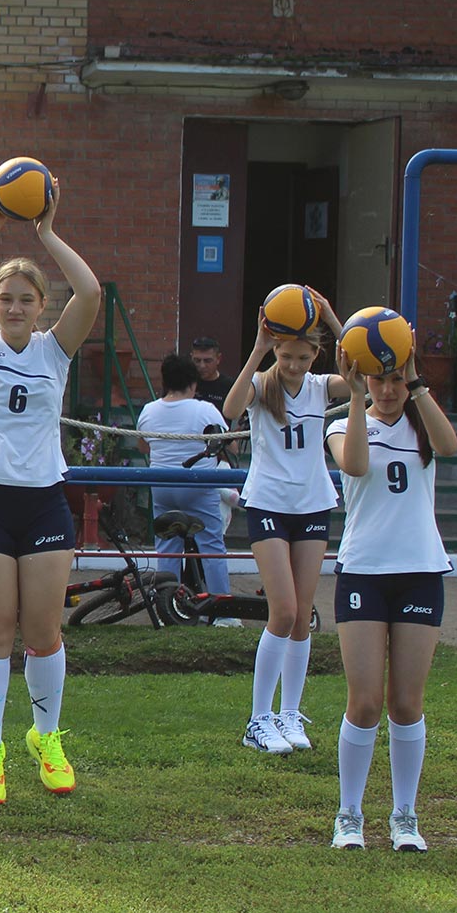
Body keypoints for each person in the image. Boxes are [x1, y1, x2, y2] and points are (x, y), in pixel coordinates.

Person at [0, 178, 101, 806]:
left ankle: (45, 736)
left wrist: (47, 233)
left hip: (43, 502)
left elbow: (89, 292)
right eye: (5, 298)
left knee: (44, 631)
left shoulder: (54, 352)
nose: (13, 307)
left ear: (40, 306)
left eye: (25, 299)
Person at [325, 347, 457, 852]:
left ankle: (405, 815)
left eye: (396, 381)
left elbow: (449, 446)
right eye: (378, 380)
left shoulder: (422, 421)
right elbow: (356, 465)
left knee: (406, 703)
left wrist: (417, 384)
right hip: (363, 572)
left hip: (420, 572)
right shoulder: (343, 425)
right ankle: (349, 814)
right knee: (364, 703)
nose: (387, 390)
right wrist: (358, 395)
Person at [221, 298, 347, 756]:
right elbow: (230, 409)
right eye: (286, 355)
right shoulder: (262, 383)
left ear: (316, 354)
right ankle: (258, 719)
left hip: (312, 504)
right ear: (276, 350)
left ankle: (289, 713)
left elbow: (362, 376)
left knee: (303, 615)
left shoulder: (320, 386)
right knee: (285, 611)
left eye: (303, 357)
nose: (294, 365)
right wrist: (258, 349)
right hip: (270, 504)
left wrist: (331, 319)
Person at [135, 353, 234, 608]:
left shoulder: (148, 411)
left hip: (163, 487)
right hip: (198, 485)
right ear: (193, 383)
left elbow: (143, 447)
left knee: (167, 547)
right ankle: (223, 611)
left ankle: (167, 607)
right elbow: (229, 445)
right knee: (211, 547)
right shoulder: (205, 410)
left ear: (165, 381)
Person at [189, 337, 231, 415]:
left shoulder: (229, 386)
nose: (202, 366)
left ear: (218, 358)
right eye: (197, 360)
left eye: (208, 361)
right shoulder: (185, 383)